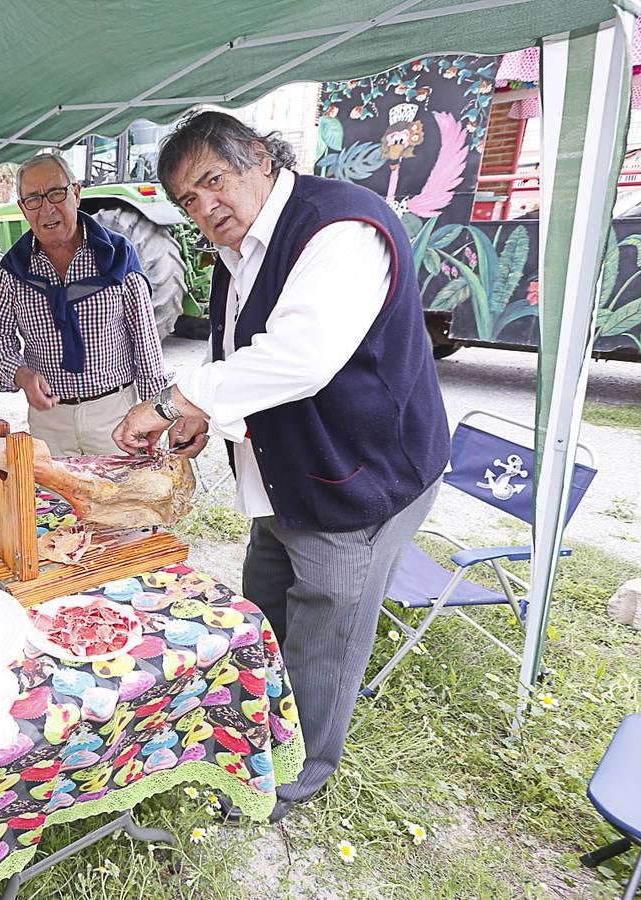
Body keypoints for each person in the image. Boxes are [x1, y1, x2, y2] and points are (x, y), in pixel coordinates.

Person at [112, 110, 450, 821]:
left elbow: (300, 357)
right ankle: (257, 735)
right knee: (263, 608)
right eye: (188, 201)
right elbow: (238, 354)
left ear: (260, 158)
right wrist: (203, 411)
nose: (205, 208)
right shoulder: (237, 253)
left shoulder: (341, 228)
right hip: (287, 476)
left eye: (213, 181)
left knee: (325, 636)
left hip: (359, 478)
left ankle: (297, 775)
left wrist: (174, 400)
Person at [0, 151, 169, 456]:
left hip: (114, 414)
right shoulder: (14, 268)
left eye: (56, 193)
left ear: (77, 193)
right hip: (49, 419)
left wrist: (154, 415)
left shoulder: (117, 255)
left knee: (118, 500)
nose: (47, 209)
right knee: (55, 502)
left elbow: (146, 345)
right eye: (33, 199)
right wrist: (21, 374)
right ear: (22, 208)